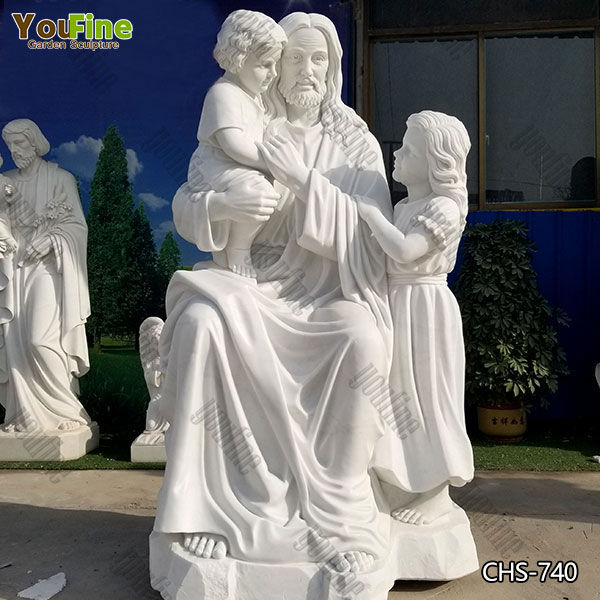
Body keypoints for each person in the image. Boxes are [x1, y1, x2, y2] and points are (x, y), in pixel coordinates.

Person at [153, 12, 395, 573]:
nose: (307, 70)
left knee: (361, 340)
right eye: (295, 57)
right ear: (274, 65)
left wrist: (305, 182)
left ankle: (340, 514)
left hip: (328, 294)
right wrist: (222, 205)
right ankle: (208, 508)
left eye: (319, 59)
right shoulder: (249, 119)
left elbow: (374, 234)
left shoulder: (354, 142)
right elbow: (187, 201)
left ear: (333, 68)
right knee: (200, 324)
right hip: (253, 282)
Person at [358, 110, 475, 524]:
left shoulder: (443, 207)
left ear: (436, 163)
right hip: (396, 307)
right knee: (397, 400)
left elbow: (407, 251)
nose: (397, 154)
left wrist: (371, 214)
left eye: (408, 150)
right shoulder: (406, 205)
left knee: (430, 399)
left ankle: (437, 492)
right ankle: (403, 482)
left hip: (425, 310)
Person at [0, 119, 91, 433]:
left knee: (39, 339)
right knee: (15, 342)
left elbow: (77, 227)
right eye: (10, 145)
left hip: (49, 267)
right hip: (12, 269)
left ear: (35, 143)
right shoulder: (5, 182)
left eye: (20, 143)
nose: (14, 150)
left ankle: (69, 411)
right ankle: (23, 415)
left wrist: (51, 241)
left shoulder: (60, 179)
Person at [187, 10, 286, 278]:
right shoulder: (224, 94)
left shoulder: (255, 97)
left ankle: (244, 247)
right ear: (238, 59)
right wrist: (271, 162)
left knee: (270, 191)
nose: (273, 73)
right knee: (257, 191)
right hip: (213, 166)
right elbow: (233, 145)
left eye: (275, 65)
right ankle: (238, 249)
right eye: (265, 65)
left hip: (239, 167)